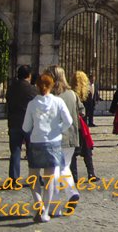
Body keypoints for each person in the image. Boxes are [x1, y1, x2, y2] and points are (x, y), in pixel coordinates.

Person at [22, 73, 73, 223]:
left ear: (37, 86)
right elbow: (68, 121)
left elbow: (26, 127)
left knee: (33, 178)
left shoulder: (32, 104)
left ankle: (39, 206)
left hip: (36, 143)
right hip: (54, 143)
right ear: (52, 86)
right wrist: (58, 129)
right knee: (49, 181)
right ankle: (45, 211)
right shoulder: (58, 102)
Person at [47, 65, 81, 203]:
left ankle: (54, 203)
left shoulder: (51, 95)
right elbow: (81, 111)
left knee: (54, 170)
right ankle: (71, 192)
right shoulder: (72, 94)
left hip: (55, 137)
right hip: (71, 136)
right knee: (64, 166)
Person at [5, 64, 38, 180]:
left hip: (14, 122)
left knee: (15, 151)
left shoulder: (11, 88)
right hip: (28, 123)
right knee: (32, 152)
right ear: (29, 75)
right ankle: (35, 177)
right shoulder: (32, 89)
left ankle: (14, 178)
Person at [70, 70, 98, 181]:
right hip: (83, 124)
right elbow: (88, 109)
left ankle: (74, 175)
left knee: (73, 152)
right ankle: (91, 173)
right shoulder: (87, 94)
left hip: (73, 124)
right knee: (87, 151)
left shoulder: (71, 93)